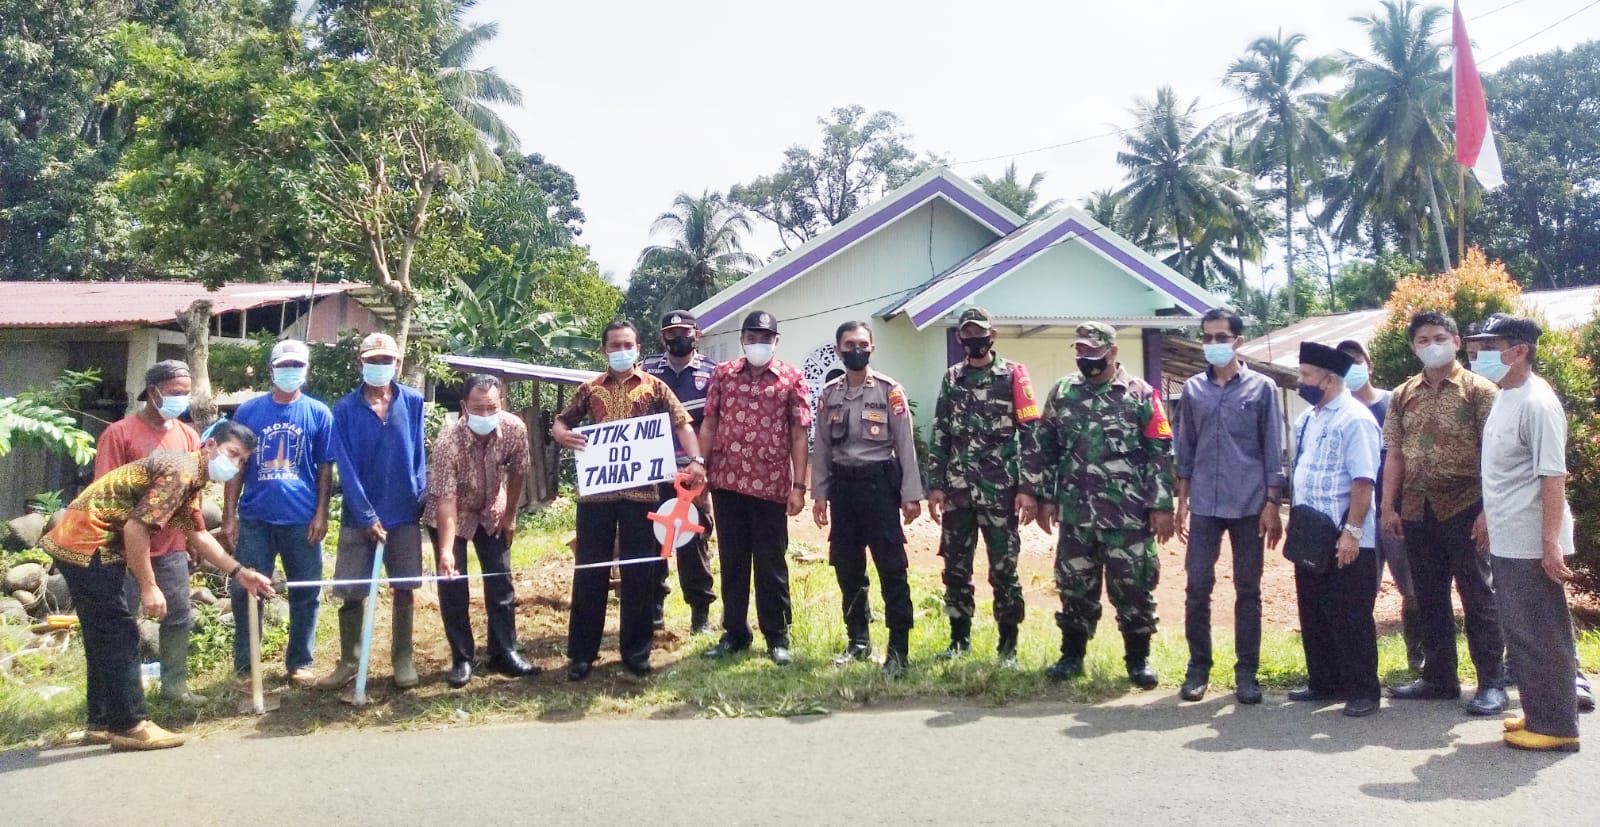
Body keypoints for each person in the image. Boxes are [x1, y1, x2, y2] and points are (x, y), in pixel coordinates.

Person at [42, 422, 275, 750]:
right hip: (89, 543)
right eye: (232, 453)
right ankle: (131, 726)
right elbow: (137, 529)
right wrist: (149, 586)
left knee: (104, 634)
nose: (235, 465)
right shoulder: (181, 472)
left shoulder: (189, 474)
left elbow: (197, 534)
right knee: (119, 632)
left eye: (242, 461)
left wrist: (239, 572)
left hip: (82, 542)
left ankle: (102, 723)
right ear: (209, 445)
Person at [553, 321, 705, 680]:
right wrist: (562, 435)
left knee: (640, 572)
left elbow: (682, 423)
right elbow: (561, 421)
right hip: (596, 497)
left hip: (642, 497)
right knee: (590, 572)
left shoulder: (656, 387)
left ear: (638, 347)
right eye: (614, 345)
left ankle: (636, 652)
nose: (622, 350)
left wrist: (696, 460)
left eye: (628, 344)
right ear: (604, 349)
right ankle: (581, 655)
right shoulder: (589, 389)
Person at [1380, 311, 1507, 716]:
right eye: (1422, 340)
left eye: (1439, 337)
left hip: (1467, 505)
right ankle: (1439, 678)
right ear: (1414, 347)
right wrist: (1387, 507)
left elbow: (1497, 455)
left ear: (1455, 341)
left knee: (1478, 596)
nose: (1431, 345)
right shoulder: (1402, 395)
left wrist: (1489, 510)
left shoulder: (1480, 391)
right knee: (1429, 597)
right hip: (1418, 509)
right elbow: (1395, 454)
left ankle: (1491, 682)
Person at [1036, 322, 1176, 687]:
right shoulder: (1063, 392)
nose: (1086, 358)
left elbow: (1160, 452)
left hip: (1127, 515)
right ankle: (1072, 656)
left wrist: (1161, 505)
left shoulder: (1141, 394)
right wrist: (1046, 498)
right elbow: (1045, 449)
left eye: (1093, 351)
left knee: (1133, 587)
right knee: (1074, 586)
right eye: (1080, 351)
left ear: (1112, 352)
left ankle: (1138, 660)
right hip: (1076, 512)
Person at [1468, 315, 1581, 751]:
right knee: (1522, 630)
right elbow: (1503, 473)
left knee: (1541, 633)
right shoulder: (1507, 396)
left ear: (1518, 352)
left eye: (1489, 346)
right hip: (1510, 535)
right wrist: (1487, 517)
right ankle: (1540, 713)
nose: (1477, 355)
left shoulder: (1537, 402)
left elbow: (1552, 476)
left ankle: (1557, 726)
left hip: (1532, 540)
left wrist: (1549, 543)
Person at [1174, 308, 1284, 705]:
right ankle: (1198, 668)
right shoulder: (1192, 390)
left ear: (1238, 341)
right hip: (1204, 502)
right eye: (1207, 337)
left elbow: (1272, 448)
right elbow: (1184, 447)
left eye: (1221, 337)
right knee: (1197, 587)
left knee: (1248, 589)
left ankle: (1246, 674)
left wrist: (1272, 502)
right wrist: (1182, 500)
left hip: (1250, 504)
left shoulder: (1263, 388)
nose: (1213, 344)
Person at [926, 306, 1043, 667]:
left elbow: (1031, 434)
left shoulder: (1012, 375)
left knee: (1004, 571)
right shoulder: (952, 378)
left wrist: (1028, 488)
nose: (974, 339)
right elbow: (941, 431)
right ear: (959, 338)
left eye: (980, 333)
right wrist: (935, 485)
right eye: (968, 333)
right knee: (956, 571)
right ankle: (959, 640)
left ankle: (1008, 648)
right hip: (958, 493)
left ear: (992, 336)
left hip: (1000, 493)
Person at [810, 321, 924, 677]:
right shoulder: (829, 394)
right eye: (849, 344)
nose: (856, 349)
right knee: (847, 568)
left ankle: (898, 649)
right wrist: (820, 496)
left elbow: (906, 445)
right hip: (844, 491)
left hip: (879, 488)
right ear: (838, 349)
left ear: (872, 348)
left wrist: (911, 495)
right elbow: (823, 448)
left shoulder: (890, 392)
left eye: (862, 343)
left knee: (891, 567)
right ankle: (858, 641)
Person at [699, 310, 812, 666]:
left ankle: (777, 636)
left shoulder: (792, 378)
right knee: (732, 561)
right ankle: (735, 633)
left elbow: (799, 433)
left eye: (765, 338)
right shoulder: (723, 375)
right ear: (742, 340)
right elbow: (710, 423)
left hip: (770, 486)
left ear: (775, 341)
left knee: (770, 563)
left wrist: (799, 486)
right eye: (752, 337)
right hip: (727, 483)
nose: (758, 343)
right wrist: (699, 469)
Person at [318, 332, 428, 691]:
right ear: (360, 363)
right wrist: (366, 516)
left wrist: (418, 493)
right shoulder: (345, 408)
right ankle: (350, 659)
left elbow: (417, 456)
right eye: (373, 360)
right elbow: (344, 466)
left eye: (386, 360)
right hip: (358, 515)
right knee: (351, 590)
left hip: (403, 513)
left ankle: (402, 657)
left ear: (397, 364)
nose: (380, 366)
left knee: (404, 587)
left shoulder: (412, 401)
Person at [222, 340, 334, 689]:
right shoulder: (249, 412)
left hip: (301, 518)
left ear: (306, 370)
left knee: (306, 590)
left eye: (297, 367)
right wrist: (229, 514)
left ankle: (300, 662)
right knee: (246, 591)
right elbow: (235, 465)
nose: (290, 373)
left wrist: (321, 513)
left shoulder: (319, 413)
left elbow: (325, 469)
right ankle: (246, 666)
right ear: (271, 369)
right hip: (255, 517)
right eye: (284, 367)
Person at [92, 360, 202, 706]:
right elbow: (106, 493)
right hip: (123, 550)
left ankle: (174, 688)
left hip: (170, 546)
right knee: (121, 626)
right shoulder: (120, 434)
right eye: (174, 393)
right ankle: (121, 697)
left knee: (179, 617)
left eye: (185, 393)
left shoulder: (187, 435)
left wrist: (194, 535)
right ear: (152, 392)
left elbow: (192, 493)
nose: (181, 399)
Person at [1286, 342, 1383, 717]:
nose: (1300, 381)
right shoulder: (1310, 418)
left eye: (1306, 375)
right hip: (1312, 532)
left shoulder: (1355, 419)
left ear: (1328, 379)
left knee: (1350, 614)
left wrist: (1353, 531)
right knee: (1314, 610)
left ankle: (1362, 691)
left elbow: (1362, 481)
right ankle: (1324, 682)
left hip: (1346, 533)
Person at [423, 373, 538, 687]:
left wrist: (511, 515)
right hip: (453, 514)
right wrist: (446, 551)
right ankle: (463, 657)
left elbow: (518, 475)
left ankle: (504, 652)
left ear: (501, 403)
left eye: (491, 407)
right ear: (464, 406)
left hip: (492, 510)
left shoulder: (515, 429)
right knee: (454, 585)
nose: (485, 414)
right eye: (478, 408)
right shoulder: (447, 442)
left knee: (500, 580)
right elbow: (445, 500)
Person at [1335, 339, 1425, 674]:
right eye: (1342, 363)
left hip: (1397, 513)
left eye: (1356, 360)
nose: (1351, 368)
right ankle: (1357, 664)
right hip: (1357, 517)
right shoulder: (1338, 411)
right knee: (1359, 591)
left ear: (1369, 364)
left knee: (1412, 587)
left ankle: (1418, 655)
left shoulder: (1394, 403)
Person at [639, 309, 719, 634]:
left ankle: (700, 614)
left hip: (693, 472)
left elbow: (716, 425)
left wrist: (705, 467)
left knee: (692, 540)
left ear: (696, 334)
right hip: (652, 471)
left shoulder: (713, 374)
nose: (678, 338)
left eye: (684, 332)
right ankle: (654, 609)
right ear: (663, 338)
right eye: (671, 334)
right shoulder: (646, 370)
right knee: (651, 539)